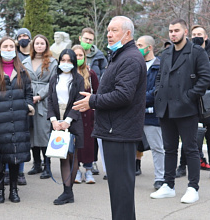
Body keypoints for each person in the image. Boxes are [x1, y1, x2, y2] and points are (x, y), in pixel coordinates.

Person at [73, 16, 146, 219]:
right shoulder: (121, 55)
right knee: (118, 190)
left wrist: (93, 101)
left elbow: (123, 95)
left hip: (121, 133)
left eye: (114, 30)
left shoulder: (130, 58)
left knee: (121, 190)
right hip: (116, 130)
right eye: (108, 30)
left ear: (128, 34)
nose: (109, 34)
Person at [150, 19, 210, 204]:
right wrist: (157, 91)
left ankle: (193, 188)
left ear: (185, 31)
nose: (173, 34)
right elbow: (160, 76)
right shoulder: (167, 52)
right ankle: (168, 185)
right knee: (169, 148)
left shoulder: (196, 52)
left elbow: (205, 78)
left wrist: (188, 96)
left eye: (176, 30)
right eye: (170, 31)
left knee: (190, 148)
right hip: (166, 108)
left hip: (186, 109)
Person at [0, 37, 34, 204]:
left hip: (18, 119)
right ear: (0, 49)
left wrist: (27, 106)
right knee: (1, 156)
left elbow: (29, 94)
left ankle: (14, 190)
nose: (9, 49)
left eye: (11, 46)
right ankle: (0, 190)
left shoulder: (23, 72)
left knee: (15, 157)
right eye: (5, 46)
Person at [175, 25, 210, 181]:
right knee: (187, 135)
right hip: (190, 101)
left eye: (199, 34)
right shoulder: (187, 53)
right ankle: (182, 166)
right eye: (193, 34)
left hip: (208, 102)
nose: (196, 36)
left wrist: (205, 90)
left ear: (205, 37)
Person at [48, 49, 85, 205]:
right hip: (57, 122)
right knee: (62, 156)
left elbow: (78, 101)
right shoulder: (54, 78)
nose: (66, 63)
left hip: (73, 121)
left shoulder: (78, 79)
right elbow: (49, 100)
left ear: (74, 62)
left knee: (73, 156)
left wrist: (68, 120)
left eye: (69, 60)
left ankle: (69, 192)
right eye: (63, 60)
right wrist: (54, 120)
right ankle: (66, 191)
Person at [22, 35, 58, 180]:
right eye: (37, 43)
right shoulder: (25, 61)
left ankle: (47, 166)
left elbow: (53, 82)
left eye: (42, 43)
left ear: (46, 45)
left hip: (44, 100)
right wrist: (29, 96)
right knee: (31, 132)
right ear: (33, 45)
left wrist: (40, 95)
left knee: (43, 133)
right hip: (29, 100)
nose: (39, 46)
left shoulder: (53, 62)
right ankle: (36, 163)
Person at [135, 35, 165, 190]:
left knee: (157, 147)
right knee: (131, 146)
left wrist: (138, 99)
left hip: (151, 114)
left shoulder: (160, 66)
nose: (137, 47)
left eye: (140, 45)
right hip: (134, 114)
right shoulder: (135, 64)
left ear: (150, 47)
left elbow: (158, 91)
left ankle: (161, 178)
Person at [71, 45, 99, 184]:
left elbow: (98, 92)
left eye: (80, 55)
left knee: (88, 143)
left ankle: (88, 170)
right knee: (75, 143)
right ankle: (76, 171)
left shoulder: (91, 73)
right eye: (75, 55)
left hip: (88, 114)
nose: (78, 58)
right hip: (73, 113)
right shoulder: (67, 73)